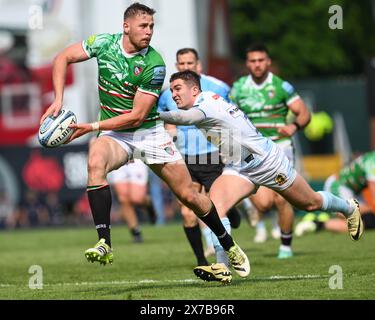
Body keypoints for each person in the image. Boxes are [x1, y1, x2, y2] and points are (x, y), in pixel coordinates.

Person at [40, 3, 249, 278]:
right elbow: (62, 58)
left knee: (189, 196)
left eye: (151, 26)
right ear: (126, 26)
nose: (149, 31)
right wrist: (58, 99)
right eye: (143, 25)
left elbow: (137, 117)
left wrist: (92, 126)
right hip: (116, 135)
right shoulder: (103, 43)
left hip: (148, 133)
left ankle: (227, 242)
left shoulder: (154, 64)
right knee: (95, 161)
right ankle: (105, 242)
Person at [159, 70, 363, 283]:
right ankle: (222, 266)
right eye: (172, 90)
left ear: (194, 89)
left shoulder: (205, 105)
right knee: (212, 208)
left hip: (266, 162)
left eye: (177, 88)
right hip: (238, 167)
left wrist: (153, 115)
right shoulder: (207, 99)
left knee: (310, 203)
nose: (173, 94)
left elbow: (184, 118)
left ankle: (349, 208)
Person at [158, 48, 241, 267]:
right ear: (176, 66)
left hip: (212, 154)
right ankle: (202, 260)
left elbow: (233, 116)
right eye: (181, 64)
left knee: (218, 204)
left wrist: (231, 147)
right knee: (187, 212)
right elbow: (166, 122)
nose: (186, 67)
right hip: (183, 158)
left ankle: (230, 216)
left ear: (199, 65)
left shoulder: (218, 87)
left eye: (190, 63)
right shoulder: (168, 94)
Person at [230, 43, 311, 259]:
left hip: (281, 146)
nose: (257, 65)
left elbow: (303, 113)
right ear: (247, 64)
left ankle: (285, 247)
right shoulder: (238, 89)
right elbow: (227, 117)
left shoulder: (281, 86)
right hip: (253, 150)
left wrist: (294, 126)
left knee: (283, 198)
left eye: (261, 60)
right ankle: (248, 203)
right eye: (253, 61)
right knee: (264, 203)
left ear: (268, 62)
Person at [296, 151, 375, 236]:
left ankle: (317, 224)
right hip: (339, 185)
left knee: (367, 222)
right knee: (359, 222)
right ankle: (313, 223)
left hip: (354, 191)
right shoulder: (371, 162)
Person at [108, 159, 153, 243]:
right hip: (117, 158)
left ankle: (148, 204)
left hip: (136, 157)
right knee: (123, 199)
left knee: (136, 198)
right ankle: (136, 232)